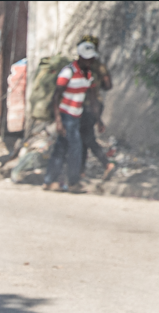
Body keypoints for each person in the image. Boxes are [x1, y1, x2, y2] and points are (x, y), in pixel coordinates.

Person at [42, 40, 100, 194]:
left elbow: (92, 98)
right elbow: (56, 97)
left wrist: (98, 120)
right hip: (66, 115)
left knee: (61, 148)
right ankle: (73, 183)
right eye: (86, 58)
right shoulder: (68, 72)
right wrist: (58, 121)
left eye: (91, 58)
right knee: (76, 147)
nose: (89, 61)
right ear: (80, 57)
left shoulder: (89, 75)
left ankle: (49, 181)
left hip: (76, 116)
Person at [76, 35, 115, 181]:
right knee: (84, 138)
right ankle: (81, 171)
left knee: (87, 138)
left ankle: (106, 164)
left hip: (87, 106)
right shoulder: (99, 65)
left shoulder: (80, 66)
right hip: (96, 104)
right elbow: (108, 85)